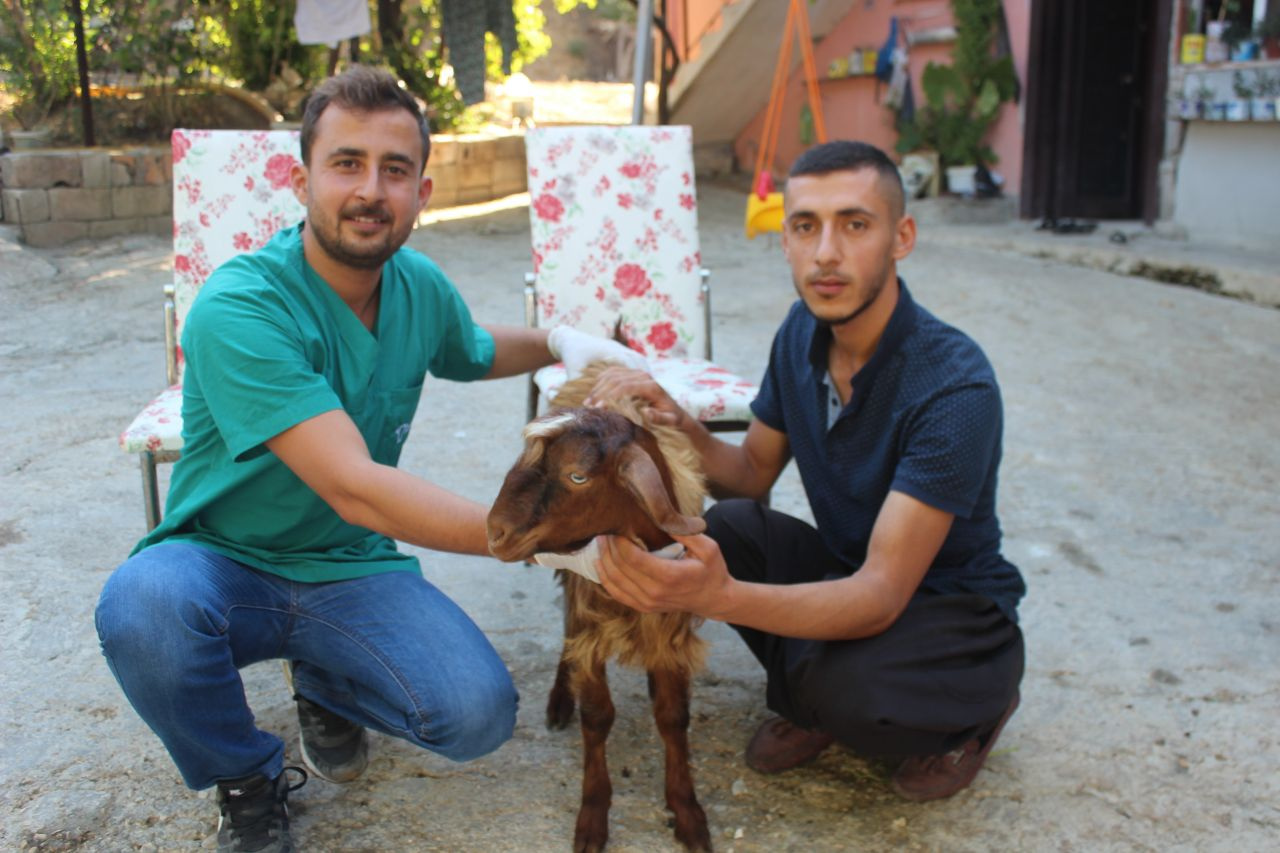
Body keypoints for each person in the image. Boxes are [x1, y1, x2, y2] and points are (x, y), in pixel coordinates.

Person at [94, 65, 642, 853]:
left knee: (475, 714)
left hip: (350, 568)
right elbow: (355, 487)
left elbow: (476, 349)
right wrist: (550, 536)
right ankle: (244, 774)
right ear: (302, 179)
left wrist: (561, 340)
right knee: (141, 609)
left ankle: (324, 680)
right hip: (223, 561)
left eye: (394, 170)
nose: (369, 191)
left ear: (422, 192)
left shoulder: (415, 284)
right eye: (346, 163)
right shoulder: (240, 305)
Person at [586, 140, 1027, 803]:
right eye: (804, 226)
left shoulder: (954, 387)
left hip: (951, 608)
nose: (826, 252)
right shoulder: (800, 333)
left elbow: (881, 592)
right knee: (727, 527)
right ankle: (818, 684)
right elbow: (751, 472)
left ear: (900, 236)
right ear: (784, 241)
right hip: (850, 569)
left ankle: (972, 709)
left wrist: (716, 597)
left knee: (844, 692)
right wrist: (675, 416)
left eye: (854, 224)